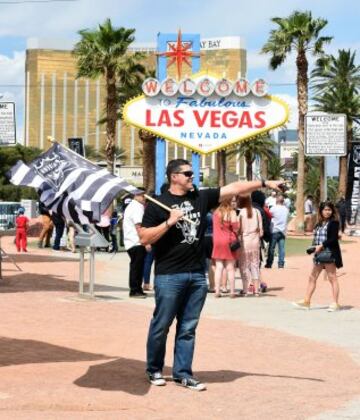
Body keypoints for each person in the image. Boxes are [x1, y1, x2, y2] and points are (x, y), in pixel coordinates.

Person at [139, 158, 283, 391]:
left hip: (197, 275)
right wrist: (169, 222)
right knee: (161, 325)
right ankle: (154, 369)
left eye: (192, 173)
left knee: (188, 327)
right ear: (173, 176)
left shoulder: (200, 197)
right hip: (169, 275)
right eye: (186, 173)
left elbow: (236, 188)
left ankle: (183, 373)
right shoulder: (159, 204)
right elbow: (144, 238)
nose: (191, 177)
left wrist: (265, 182)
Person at [293, 201, 343, 312]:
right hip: (319, 254)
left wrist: (321, 245)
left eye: (329, 210)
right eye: (325, 210)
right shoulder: (319, 224)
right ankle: (306, 301)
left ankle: (335, 303)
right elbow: (316, 238)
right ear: (321, 211)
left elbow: (333, 239)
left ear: (332, 211)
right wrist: (313, 247)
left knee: (332, 278)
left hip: (329, 253)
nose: (327, 212)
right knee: (312, 277)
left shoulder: (334, 223)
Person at [212, 197, 240, 298]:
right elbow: (236, 228)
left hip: (217, 241)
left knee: (219, 267)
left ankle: (217, 290)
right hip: (229, 241)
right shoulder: (231, 212)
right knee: (230, 268)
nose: (234, 203)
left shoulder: (216, 212)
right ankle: (232, 292)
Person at [123, 191, 147, 298]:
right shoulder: (137, 207)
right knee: (137, 267)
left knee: (137, 267)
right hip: (136, 242)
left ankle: (138, 288)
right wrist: (145, 241)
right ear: (136, 196)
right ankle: (134, 290)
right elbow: (139, 226)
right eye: (143, 196)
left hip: (132, 241)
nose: (144, 198)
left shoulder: (133, 206)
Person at [238, 195, 263, 296]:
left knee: (244, 265)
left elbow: (239, 229)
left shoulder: (241, 213)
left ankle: (246, 289)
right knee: (255, 265)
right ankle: (256, 290)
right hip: (255, 241)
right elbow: (261, 232)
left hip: (245, 241)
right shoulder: (257, 212)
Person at [265, 195, 289, 269]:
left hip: (274, 230)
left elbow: (268, 215)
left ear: (277, 201)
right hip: (283, 231)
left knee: (271, 248)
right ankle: (281, 264)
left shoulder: (273, 209)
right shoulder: (286, 209)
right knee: (281, 249)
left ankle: (269, 263)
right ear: (283, 201)